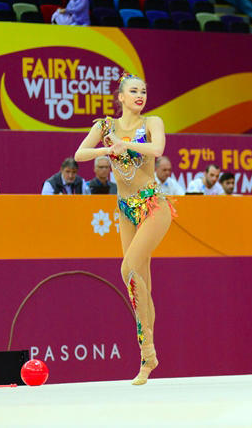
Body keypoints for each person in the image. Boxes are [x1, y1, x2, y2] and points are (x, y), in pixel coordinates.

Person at [74, 73, 175, 384]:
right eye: (133, 91)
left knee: (127, 268)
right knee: (139, 282)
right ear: (120, 96)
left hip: (153, 205)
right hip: (125, 210)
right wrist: (108, 149)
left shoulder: (153, 122)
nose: (140, 95)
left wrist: (127, 144)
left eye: (143, 90)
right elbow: (79, 155)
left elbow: (157, 150)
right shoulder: (104, 127)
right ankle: (148, 357)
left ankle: (148, 354)